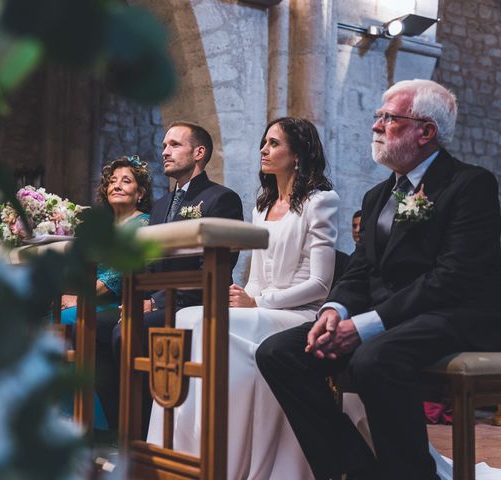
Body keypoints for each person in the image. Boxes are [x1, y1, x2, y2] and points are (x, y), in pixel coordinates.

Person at [256, 79, 501, 480]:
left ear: (426, 131)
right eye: (377, 117)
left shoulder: (469, 184)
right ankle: (354, 470)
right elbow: (360, 271)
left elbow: (453, 277)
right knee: (278, 352)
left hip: (453, 314)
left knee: (375, 359)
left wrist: (366, 325)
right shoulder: (377, 196)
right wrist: (334, 311)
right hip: (393, 319)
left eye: (389, 118)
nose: (376, 126)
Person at [148, 117, 339, 479]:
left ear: (297, 154)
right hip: (264, 304)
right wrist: (242, 294)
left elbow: (320, 284)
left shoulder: (321, 202)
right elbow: (254, 278)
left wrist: (258, 302)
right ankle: (177, 451)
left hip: (300, 313)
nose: (263, 150)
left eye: (273, 143)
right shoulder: (261, 205)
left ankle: (227, 455)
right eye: (263, 143)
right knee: (189, 318)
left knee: (212, 325)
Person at [94, 121, 244, 431]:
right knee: (93, 326)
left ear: (199, 152)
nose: (165, 151)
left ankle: (144, 433)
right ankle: (120, 426)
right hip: (158, 302)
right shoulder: (161, 205)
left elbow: (215, 267)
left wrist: (158, 302)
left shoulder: (221, 199)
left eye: (174, 145)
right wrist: (140, 299)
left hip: (195, 302)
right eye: (164, 145)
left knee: (126, 333)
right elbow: (148, 263)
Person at [59, 155, 151, 325]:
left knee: (61, 319)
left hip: (118, 302)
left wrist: (81, 297)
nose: (116, 186)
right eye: (112, 181)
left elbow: (119, 273)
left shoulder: (143, 223)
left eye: (126, 181)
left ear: (140, 193)